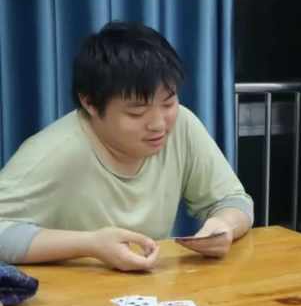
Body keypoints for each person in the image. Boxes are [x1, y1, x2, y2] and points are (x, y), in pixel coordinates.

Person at [0, 22, 253, 271]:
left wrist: (224, 225)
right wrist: (90, 245)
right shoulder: (56, 152)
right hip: (72, 293)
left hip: (152, 290)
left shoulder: (182, 126)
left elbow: (232, 200)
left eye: (168, 103)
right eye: (136, 113)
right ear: (90, 103)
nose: (159, 124)